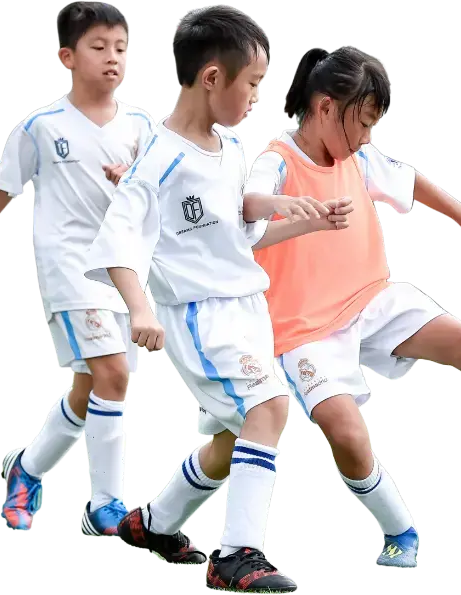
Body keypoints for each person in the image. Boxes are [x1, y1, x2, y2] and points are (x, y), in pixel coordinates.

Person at [202, 45, 461, 569]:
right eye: (362, 123)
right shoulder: (277, 163)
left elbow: (409, 179)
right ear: (326, 107)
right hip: (304, 329)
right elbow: (248, 209)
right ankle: (401, 529)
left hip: (371, 295)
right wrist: (288, 207)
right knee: (347, 436)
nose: (366, 138)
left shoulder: (358, 157)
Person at [82, 5, 351, 590]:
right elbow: (120, 241)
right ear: (211, 77)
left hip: (247, 307)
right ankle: (237, 555)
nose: (256, 98)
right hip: (201, 315)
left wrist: (302, 217)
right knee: (269, 408)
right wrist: (139, 309)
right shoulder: (159, 159)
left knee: (235, 437)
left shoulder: (228, 145)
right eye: (251, 84)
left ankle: (153, 524)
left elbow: (235, 229)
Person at [0, 0, 157, 539]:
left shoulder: (142, 126)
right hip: (71, 271)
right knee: (113, 375)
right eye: (99, 47)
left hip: (123, 274)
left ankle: (26, 468)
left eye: (121, 48)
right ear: (67, 56)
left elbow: (161, 196)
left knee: (90, 387)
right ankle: (105, 506)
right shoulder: (41, 127)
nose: (113, 58)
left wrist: (134, 179)